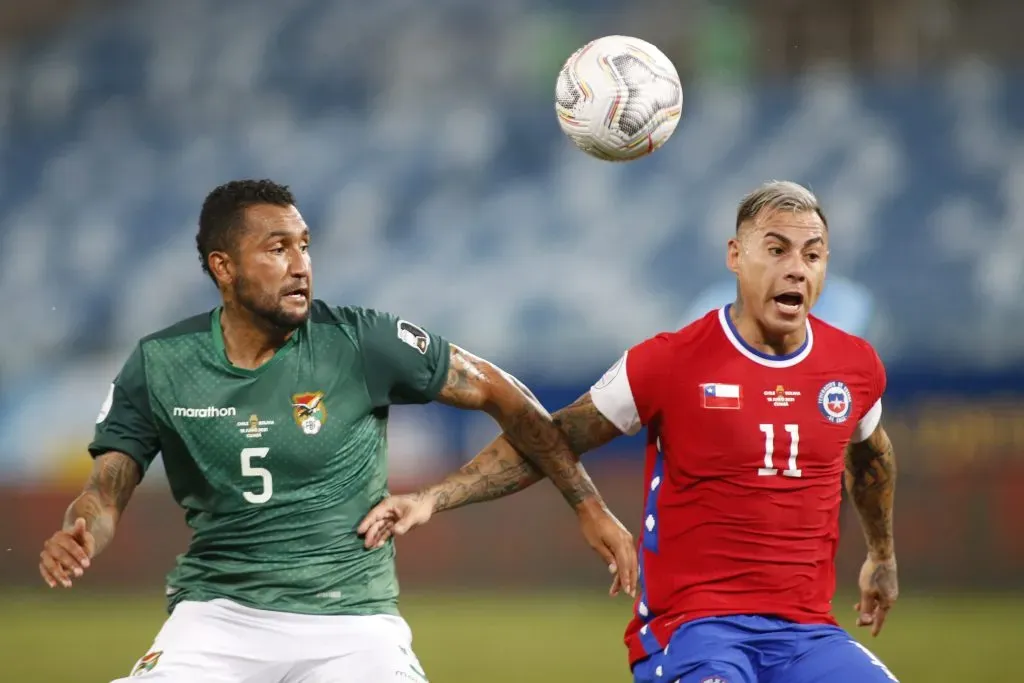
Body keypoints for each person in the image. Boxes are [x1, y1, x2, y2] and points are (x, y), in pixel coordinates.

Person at [37, 179, 636, 683]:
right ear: (223, 267)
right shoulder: (162, 363)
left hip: (352, 624)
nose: (300, 265)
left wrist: (585, 503)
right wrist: (83, 529)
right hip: (217, 616)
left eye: (304, 246)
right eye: (277, 249)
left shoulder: (360, 342)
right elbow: (106, 489)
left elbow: (505, 394)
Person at [359, 180, 900, 683]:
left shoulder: (853, 366)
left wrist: (881, 554)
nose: (796, 269)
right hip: (692, 632)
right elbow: (550, 438)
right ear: (736, 256)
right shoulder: (669, 362)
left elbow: (870, 455)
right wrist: (435, 497)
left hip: (807, 635)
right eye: (776, 249)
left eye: (812, 254)